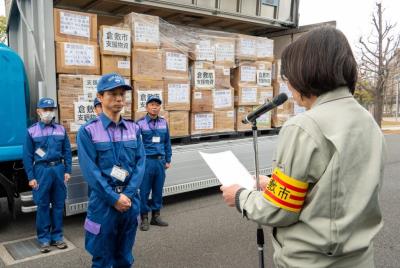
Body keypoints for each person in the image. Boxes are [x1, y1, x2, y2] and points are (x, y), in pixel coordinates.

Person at [220, 26, 386, 268]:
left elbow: (279, 211)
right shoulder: (367, 121)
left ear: (305, 71)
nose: (289, 87)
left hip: (312, 262)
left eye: (288, 78)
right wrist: (271, 185)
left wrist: (240, 197)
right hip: (359, 259)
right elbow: (335, 189)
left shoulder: (304, 126)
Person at [77, 73, 145, 267]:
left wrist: (128, 195)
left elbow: (140, 165)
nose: (118, 98)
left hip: (130, 201)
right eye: (112, 93)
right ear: (100, 97)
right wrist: (114, 198)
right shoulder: (88, 131)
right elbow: (91, 171)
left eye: (122, 94)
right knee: (102, 259)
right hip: (104, 203)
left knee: (125, 256)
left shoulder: (134, 129)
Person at [23, 97, 72, 253]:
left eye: (51, 109)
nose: (48, 112)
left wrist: (68, 170)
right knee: (43, 206)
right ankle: (44, 239)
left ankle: (57, 237)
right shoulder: (31, 131)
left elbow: (67, 152)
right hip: (41, 171)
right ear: (38, 111)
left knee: (58, 205)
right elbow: (27, 156)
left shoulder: (61, 129)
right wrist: (31, 177)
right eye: (45, 109)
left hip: (58, 169)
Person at [137, 96, 172, 231]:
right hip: (146, 162)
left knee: (158, 190)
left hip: (160, 162)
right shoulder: (139, 124)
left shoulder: (163, 123)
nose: (155, 107)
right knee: (144, 191)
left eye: (157, 105)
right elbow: (136, 145)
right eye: (152, 104)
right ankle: (144, 218)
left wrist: (168, 159)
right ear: (146, 107)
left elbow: (167, 142)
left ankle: (156, 216)